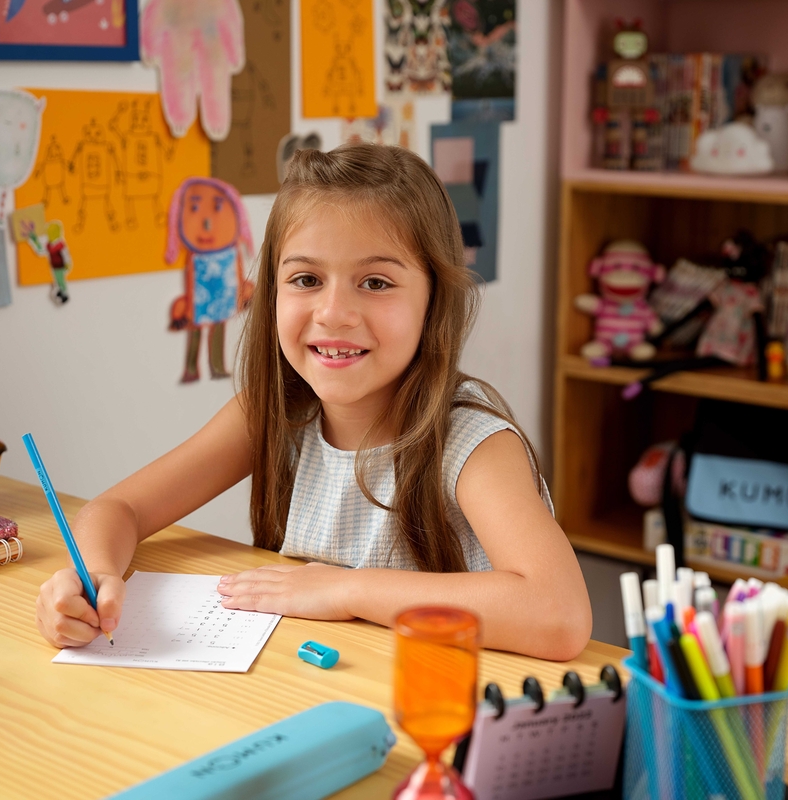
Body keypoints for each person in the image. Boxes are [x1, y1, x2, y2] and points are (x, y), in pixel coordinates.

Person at [35, 144, 593, 661]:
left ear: (434, 300)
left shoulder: (471, 442)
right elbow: (118, 509)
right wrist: (94, 578)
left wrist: (345, 589)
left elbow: (559, 614)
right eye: (306, 279)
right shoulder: (275, 412)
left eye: (375, 283)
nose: (333, 313)